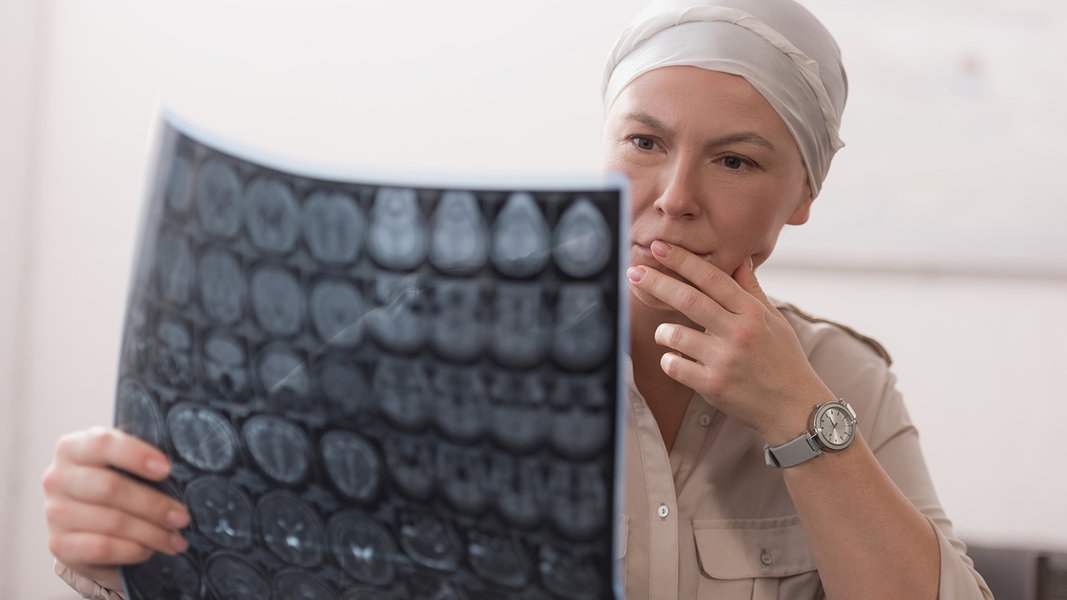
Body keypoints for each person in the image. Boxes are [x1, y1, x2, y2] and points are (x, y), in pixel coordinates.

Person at [43, 0, 994, 598]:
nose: (673, 199)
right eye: (644, 143)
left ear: (802, 197)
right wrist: (111, 544)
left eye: (735, 159)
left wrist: (797, 415)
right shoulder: (437, 341)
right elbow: (254, 542)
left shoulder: (843, 382)